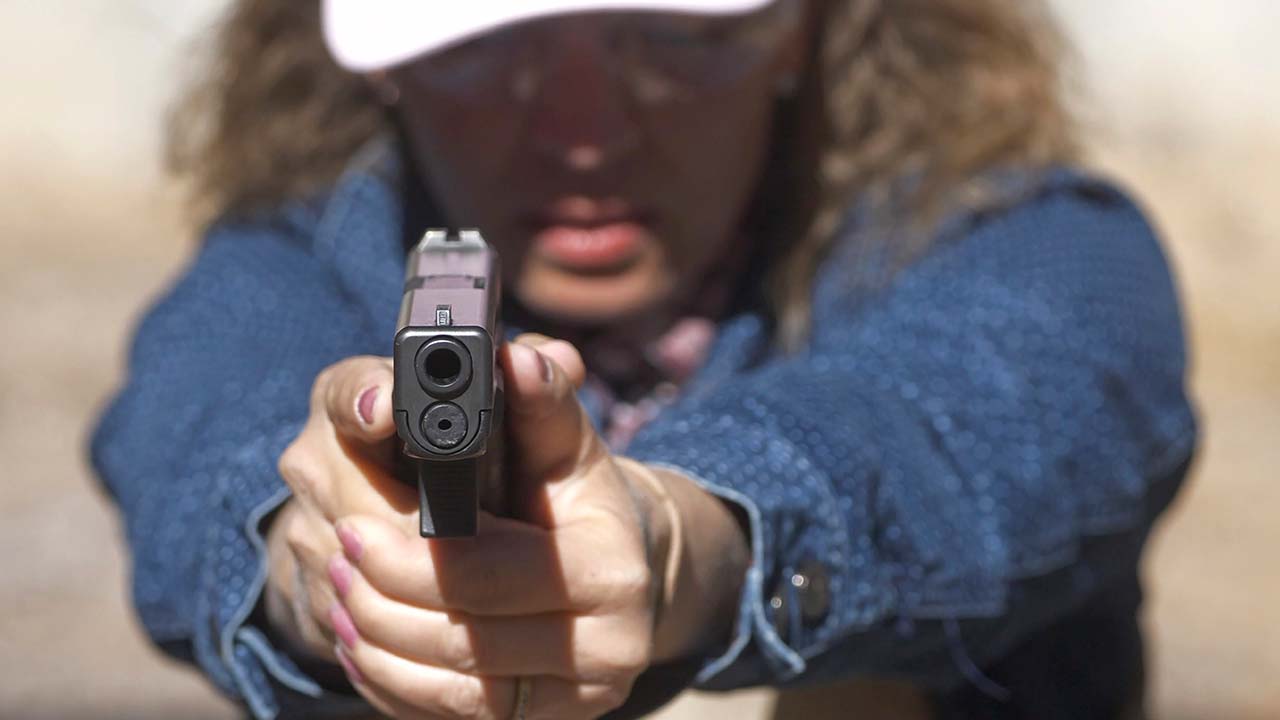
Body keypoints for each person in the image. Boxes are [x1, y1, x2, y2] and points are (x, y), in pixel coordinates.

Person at [90, 0, 1197, 718]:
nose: (583, 131)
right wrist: (314, 567)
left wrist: (690, 545)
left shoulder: (1016, 245)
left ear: (801, 30)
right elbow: (198, 432)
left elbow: (991, 408)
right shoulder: (292, 262)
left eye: (670, 43)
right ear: (376, 71)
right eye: (482, 54)